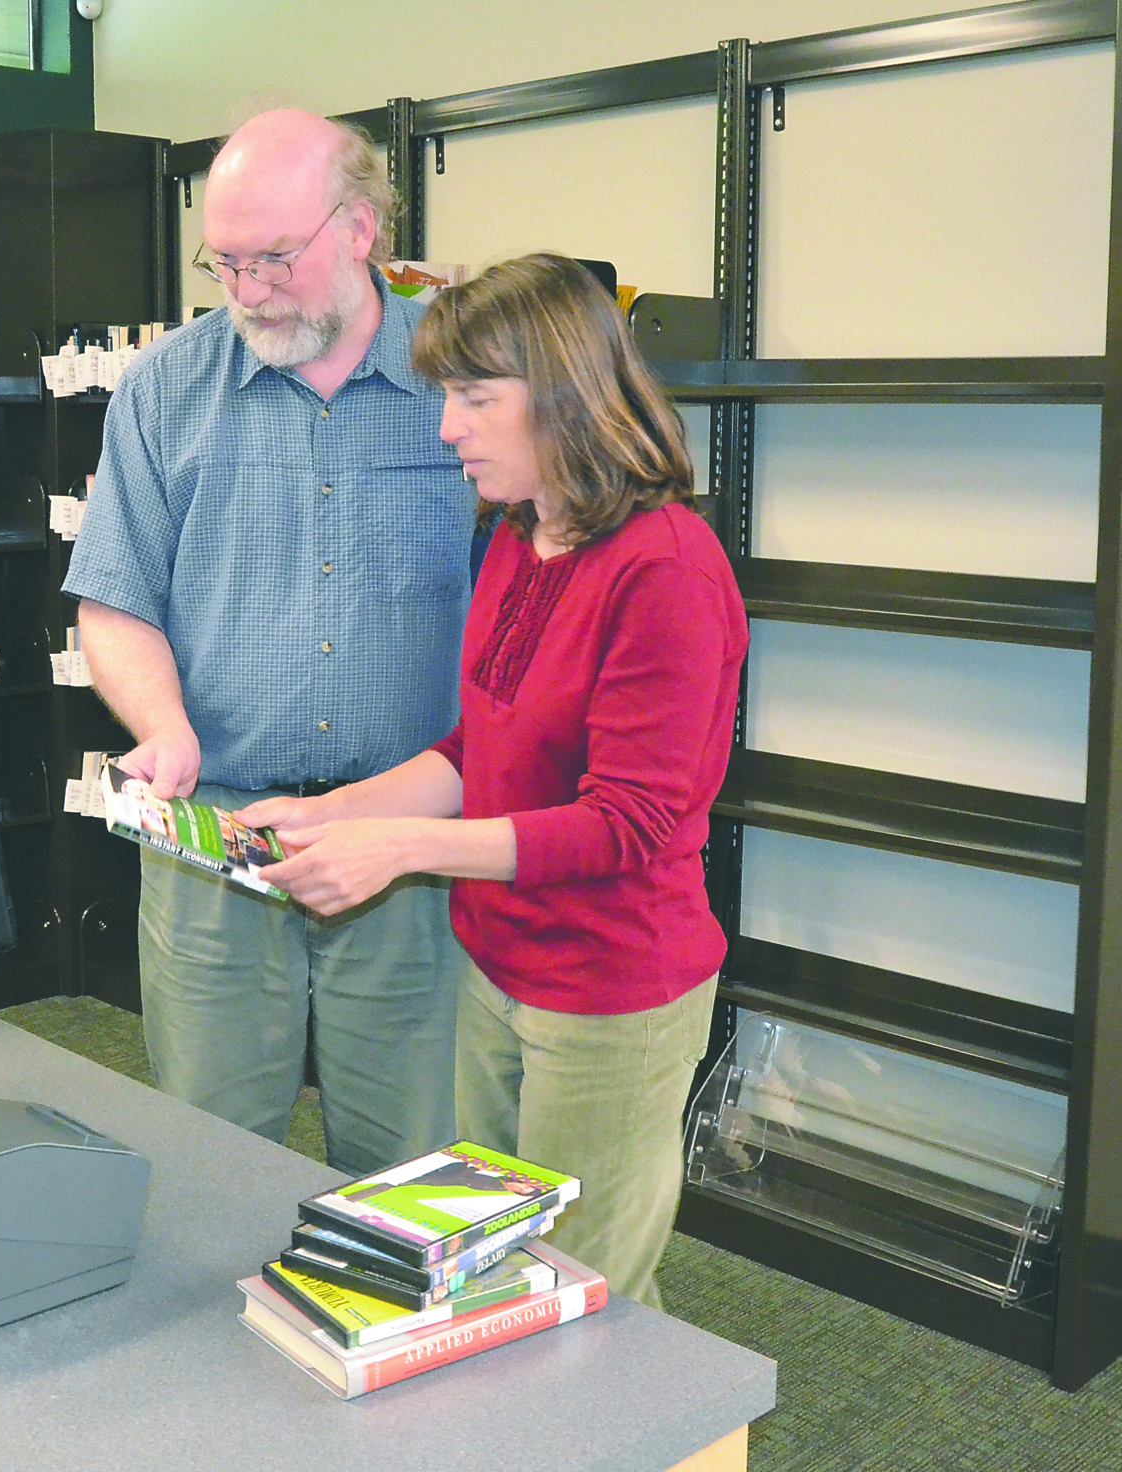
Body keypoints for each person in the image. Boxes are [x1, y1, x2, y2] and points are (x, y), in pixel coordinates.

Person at [243, 253, 746, 1307]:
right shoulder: (519, 536)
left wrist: (404, 850)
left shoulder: (667, 568)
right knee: (505, 1272)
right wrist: (335, 814)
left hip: (610, 992)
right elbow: (483, 754)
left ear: (566, 393)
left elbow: (630, 822)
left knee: (584, 1288)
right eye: (447, 397)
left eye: (476, 398)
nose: (447, 429)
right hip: (498, 964)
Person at [63, 109, 476, 1177]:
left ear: (361, 229)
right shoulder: (166, 388)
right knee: (210, 1159)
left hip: (411, 855)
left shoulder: (465, 382)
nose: (246, 292)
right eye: (225, 262)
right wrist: (161, 730)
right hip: (221, 842)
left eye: (273, 260)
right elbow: (112, 599)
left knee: (415, 1170)